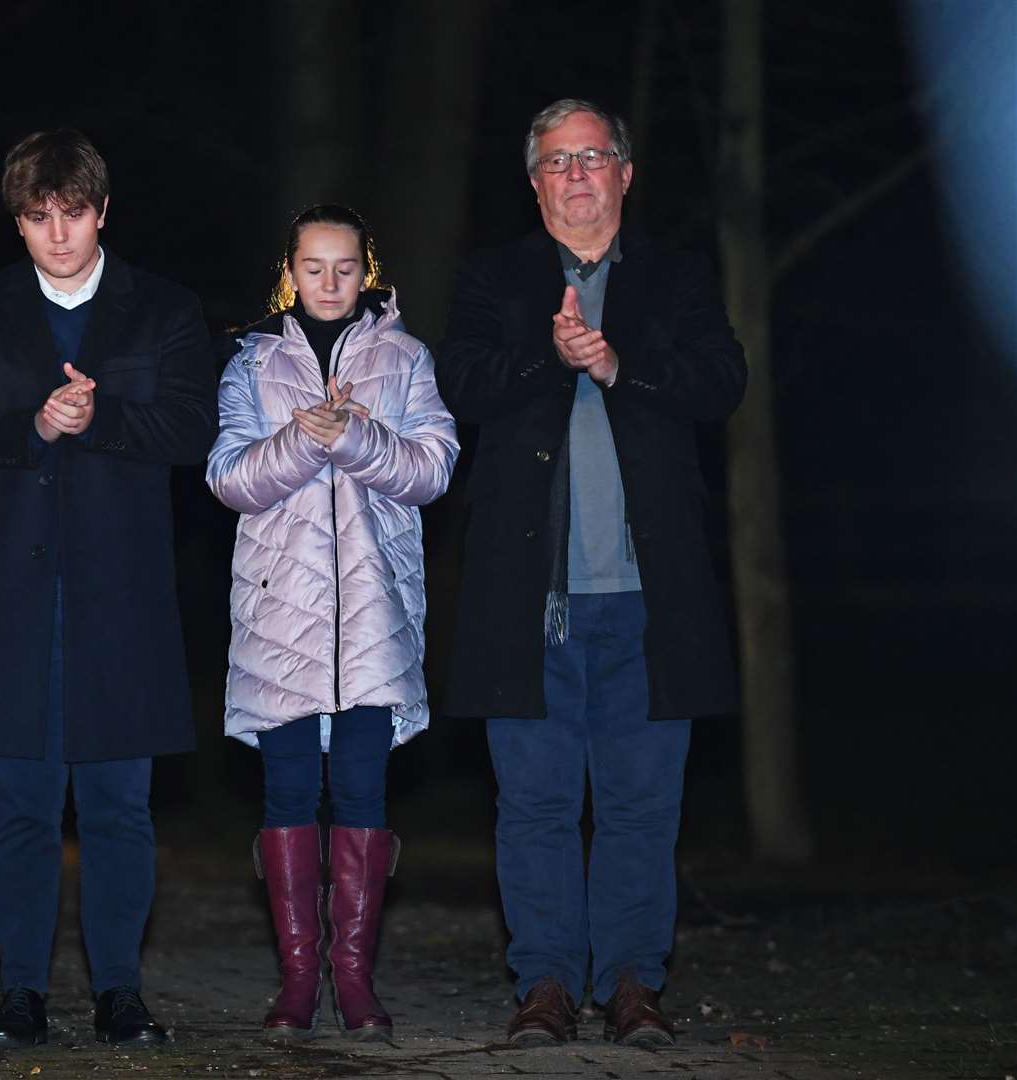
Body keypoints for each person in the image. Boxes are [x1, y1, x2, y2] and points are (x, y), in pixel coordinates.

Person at [435, 99, 747, 1047]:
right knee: (532, 803)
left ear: (625, 173)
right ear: (533, 183)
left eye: (594, 156)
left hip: (653, 598)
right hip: (526, 598)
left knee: (640, 804)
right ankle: (545, 985)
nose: (576, 174)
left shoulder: (678, 278)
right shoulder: (493, 279)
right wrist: (553, 353)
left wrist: (617, 365)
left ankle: (631, 984)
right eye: (557, 161)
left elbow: (721, 383)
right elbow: (465, 386)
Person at [0, 129, 217, 1048]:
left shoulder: (163, 308)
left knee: (120, 808)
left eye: (74, 214)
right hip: (11, 596)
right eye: (39, 218)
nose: (59, 233)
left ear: (102, 212)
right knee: (19, 807)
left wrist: (103, 416)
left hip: (121, 597)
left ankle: (120, 993)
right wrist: (34, 427)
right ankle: (20, 995)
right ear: (17, 222)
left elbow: (193, 427)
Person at [207, 205, 458, 1041]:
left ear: (368, 268)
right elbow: (230, 480)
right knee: (286, 795)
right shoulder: (251, 361)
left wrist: (354, 433)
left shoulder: (407, 357)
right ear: (289, 269)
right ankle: (296, 982)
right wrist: (304, 440)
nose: (328, 282)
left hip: (375, 617)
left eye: (344, 266)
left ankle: (353, 981)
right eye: (313, 266)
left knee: (360, 792)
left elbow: (432, 471)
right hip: (281, 620)